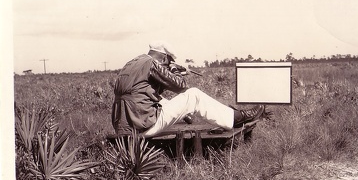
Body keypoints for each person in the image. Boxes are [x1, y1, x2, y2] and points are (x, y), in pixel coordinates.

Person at [111, 41, 264, 137]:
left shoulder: (132, 63)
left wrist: (170, 72)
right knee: (194, 95)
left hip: (124, 128)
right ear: (164, 58)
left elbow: (147, 91)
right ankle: (236, 118)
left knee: (160, 99)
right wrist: (176, 71)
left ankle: (187, 115)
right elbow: (181, 86)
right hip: (142, 127)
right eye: (169, 61)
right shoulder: (153, 64)